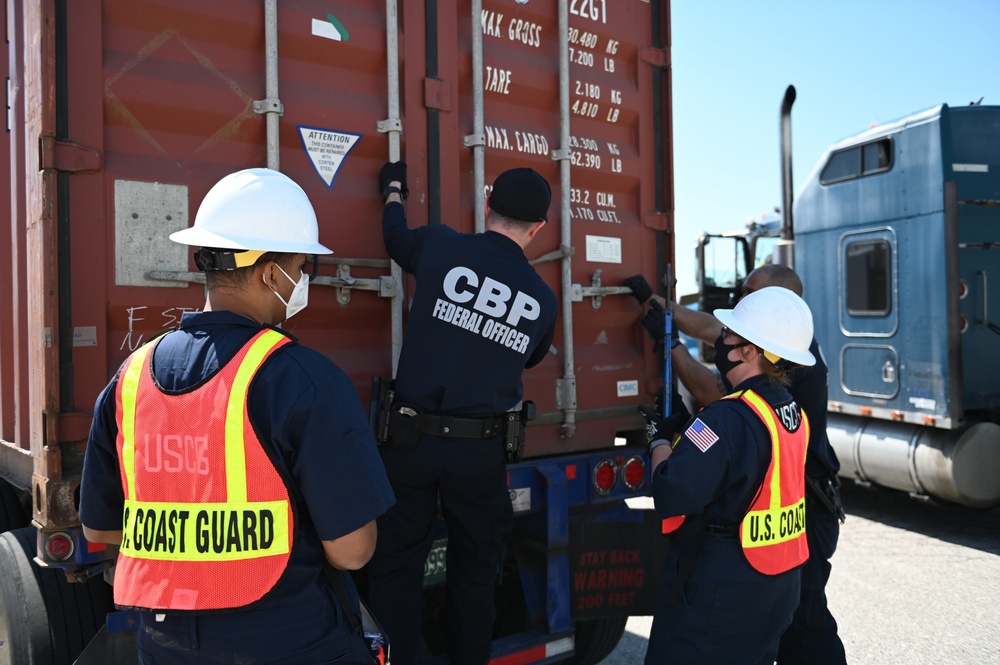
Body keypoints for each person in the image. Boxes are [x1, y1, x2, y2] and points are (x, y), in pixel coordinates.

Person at [79, 168, 396, 664]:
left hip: (165, 649)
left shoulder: (130, 378)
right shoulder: (304, 379)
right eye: (301, 265)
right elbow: (352, 550)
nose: (304, 278)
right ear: (272, 273)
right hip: (293, 643)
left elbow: (100, 532)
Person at [367, 162, 557, 665]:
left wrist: (392, 191)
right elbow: (531, 354)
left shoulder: (441, 247)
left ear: (488, 205)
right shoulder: (540, 300)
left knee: (394, 567)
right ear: (538, 228)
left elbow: (394, 237)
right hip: (480, 453)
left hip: (409, 443)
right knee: (476, 573)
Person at [627, 265, 847, 664]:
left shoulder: (727, 416)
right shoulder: (786, 400)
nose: (720, 338)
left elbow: (673, 489)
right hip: (777, 574)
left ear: (748, 350)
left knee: (811, 632)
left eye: (728, 335)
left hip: (726, 576)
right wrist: (658, 306)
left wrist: (660, 437)